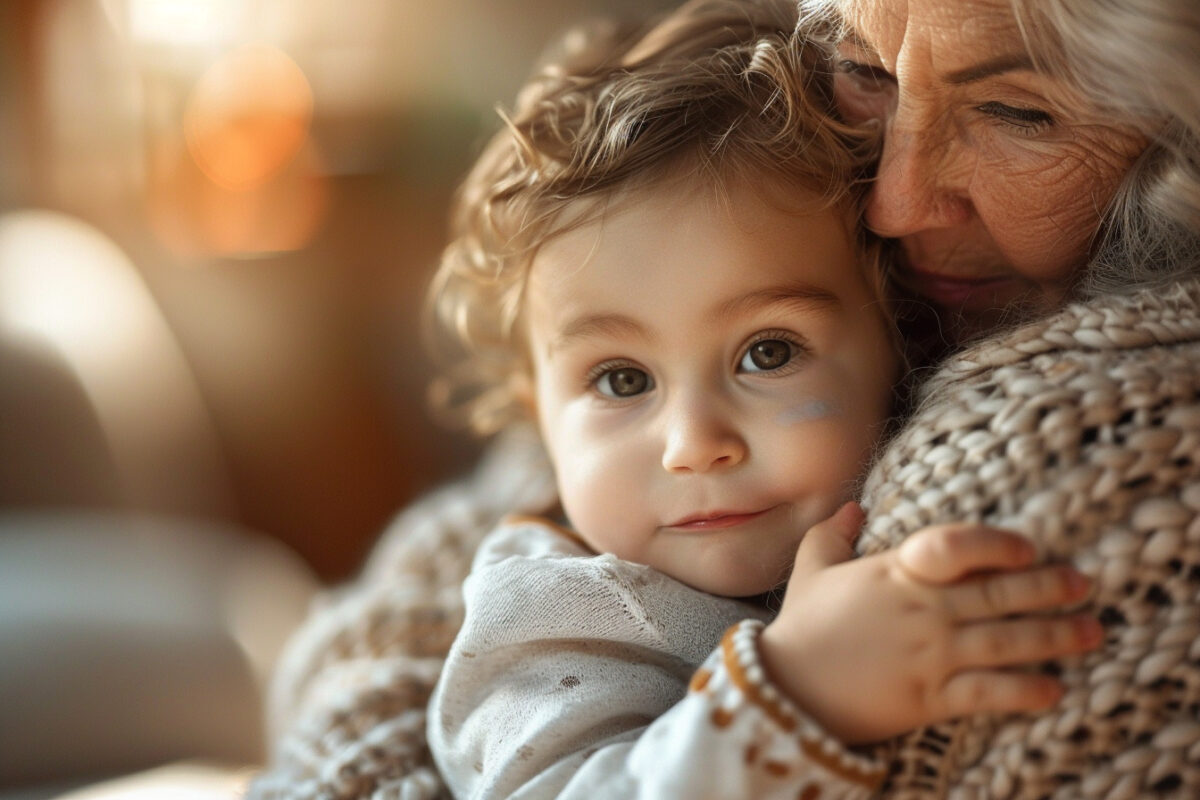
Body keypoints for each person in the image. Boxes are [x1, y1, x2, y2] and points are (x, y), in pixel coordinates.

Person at [247, 0, 1200, 797]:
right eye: (622, 381)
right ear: (534, 414)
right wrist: (798, 692)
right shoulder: (562, 619)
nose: (692, 443)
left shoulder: (1107, 432)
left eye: (769, 351)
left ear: (900, 338)